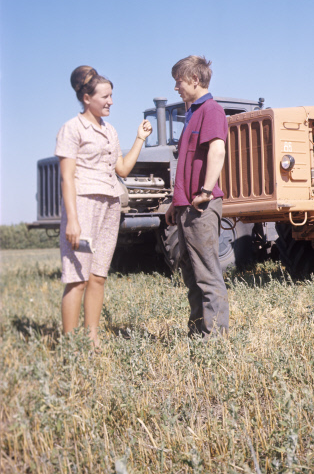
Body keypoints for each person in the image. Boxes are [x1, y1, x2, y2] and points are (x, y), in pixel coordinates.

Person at [56, 65, 152, 348]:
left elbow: (122, 169)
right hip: (83, 207)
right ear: (87, 98)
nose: (111, 101)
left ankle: (92, 338)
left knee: (98, 276)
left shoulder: (110, 131)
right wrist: (73, 220)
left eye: (112, 96)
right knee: (77, 278)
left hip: (110, 205)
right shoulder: (71, 129)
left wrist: (140, 139)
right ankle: (71, 344)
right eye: (105, 96)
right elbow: (66, 178)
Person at [164, 55, 228, 339]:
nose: (176, 87)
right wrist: (174, 204)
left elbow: (217, 150)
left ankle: (215, 338)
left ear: (194, 80)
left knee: (206, 272)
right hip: (186, 206)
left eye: (179, 81)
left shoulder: (211, 110)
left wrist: (205, 191)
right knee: (191, 272)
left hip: (200, 204)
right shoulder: (192, 113)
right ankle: (198, 332)